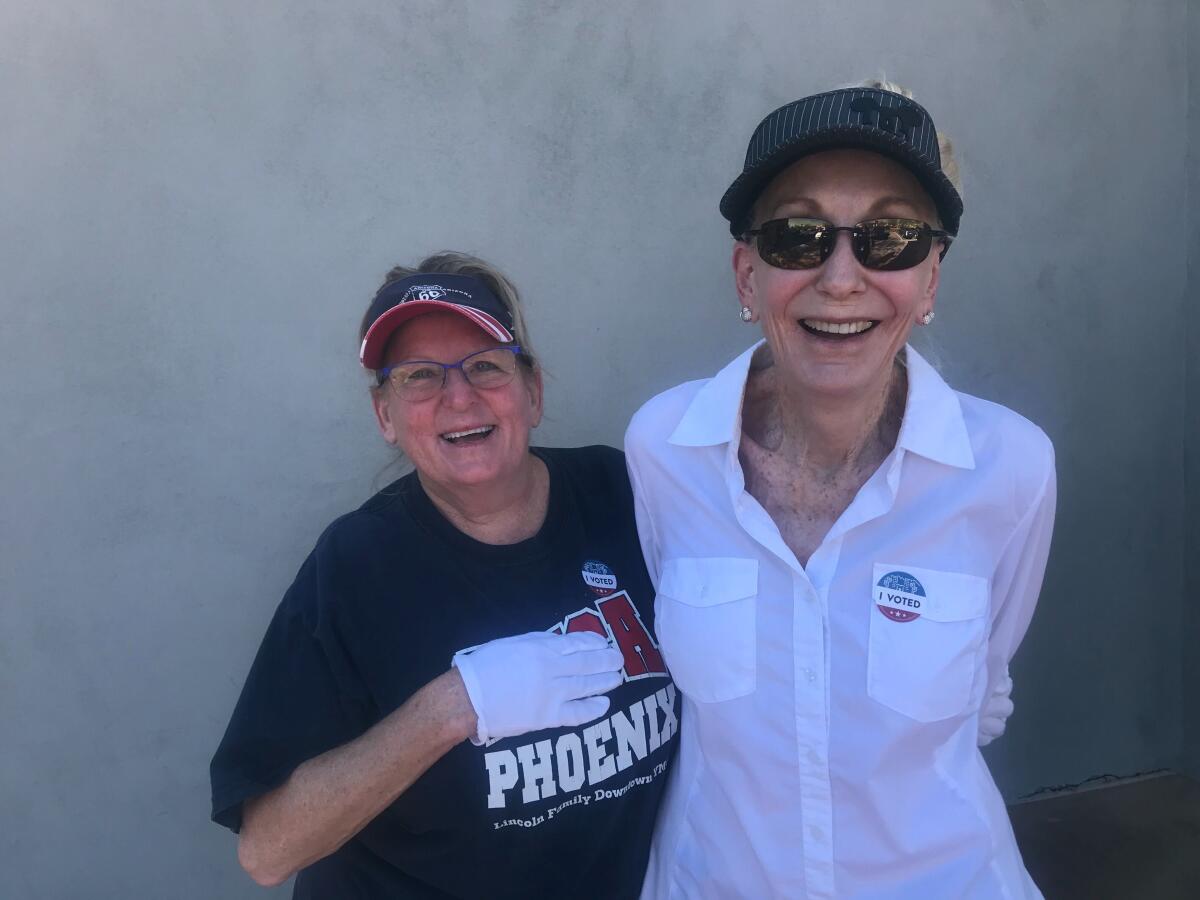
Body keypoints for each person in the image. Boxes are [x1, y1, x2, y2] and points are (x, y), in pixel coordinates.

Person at [626, 83, 1055, 899]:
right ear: (747, 275)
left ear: (930, 280)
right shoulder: (663, 449)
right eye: (798, 236)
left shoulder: (1010, 467)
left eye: (891, 238)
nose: (842, 276)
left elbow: (984, 692)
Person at [210, 253, 678, 898]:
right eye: (419, 377)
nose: (459, 398)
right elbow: (267, 849)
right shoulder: (355, 567)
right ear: (385, 417)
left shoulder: (624, 495)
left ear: (532, 391)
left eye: (485, 366)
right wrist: (453, 707)